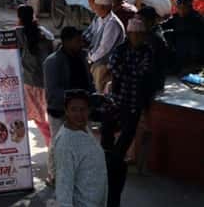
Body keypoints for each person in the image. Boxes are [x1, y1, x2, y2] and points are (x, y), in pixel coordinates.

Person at [102, 18, 155, 207]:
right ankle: (108, 164)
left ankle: (116, 166)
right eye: (135, 34)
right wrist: (128, 72)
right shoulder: (120, 50)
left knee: (126, 137)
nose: (138, 37)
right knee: (107, 135)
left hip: (134, 102)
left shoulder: (147, 51)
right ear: (130, 34)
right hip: (116, 100)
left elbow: (143, 71)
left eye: (141, 35)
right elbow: (114, 67)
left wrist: (124, 71)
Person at [44, 26, 94, 179]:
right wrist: (75, 99)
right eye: (77, 41)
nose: (81, 44)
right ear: (67, 42)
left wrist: (91, 96)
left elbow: (88, 81)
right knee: (58, 145)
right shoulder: (52, 62)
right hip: (60, 110)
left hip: (80, 108)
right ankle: (54, 176)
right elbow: (53, 91)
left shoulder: (82, 57)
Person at [53, 89, 108, 207]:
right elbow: (63, 186)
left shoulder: (83, 128)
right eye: (73, 109)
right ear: (66, 111)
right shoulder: (65, 144)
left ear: (89, 110)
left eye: (83, 109)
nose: (79, 114)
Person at [16, 5, 55, 145]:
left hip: (31, 82)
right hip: (48, 80)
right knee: (47, 116)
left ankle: (51, 142)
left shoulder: (18, 33)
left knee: (39, 117)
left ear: (19, 17)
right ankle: (52, 141)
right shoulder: (44, 33)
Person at [87, 0, 126, 92]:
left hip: (105, 64)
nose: (94, 9)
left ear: (104, 8)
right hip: (96, 61)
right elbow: (89, 34)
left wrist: (90, 59)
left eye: (97, 7)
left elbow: (104, 48)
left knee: (99, 92)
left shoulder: (112, 23)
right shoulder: (99, 19)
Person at [161, 0, 204, 70]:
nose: (182, 10)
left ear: (190, 8)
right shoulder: (176, 17)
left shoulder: (197, 18)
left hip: (193, 47)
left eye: (184, 8)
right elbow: (164, 25)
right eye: (179, 8)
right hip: (179, 46)